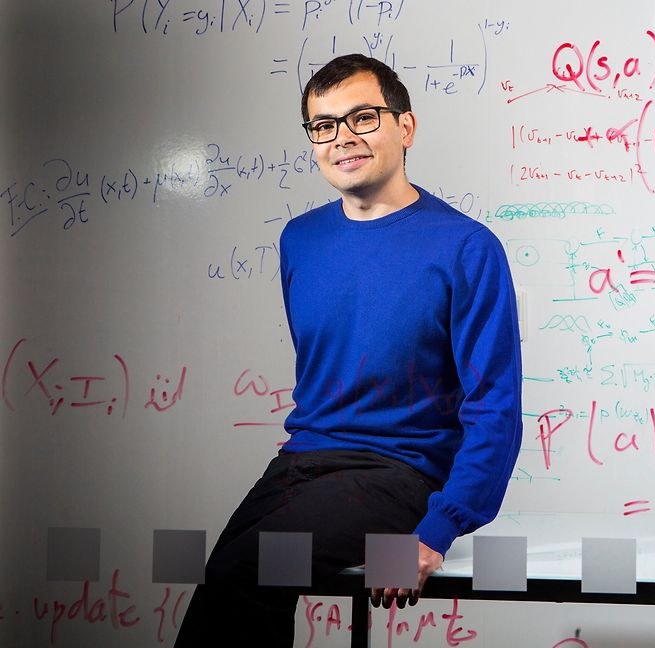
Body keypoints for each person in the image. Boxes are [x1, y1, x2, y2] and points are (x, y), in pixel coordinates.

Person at [174, 53, 523, 646]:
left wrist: (438, 529)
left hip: (400, 471)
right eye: (324, 125)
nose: (343, 138)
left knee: (245, 572)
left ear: (405, 127)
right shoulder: (300, 240)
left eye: (363, 118)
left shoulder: (467, 247)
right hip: (303, 461)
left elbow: (495, 406)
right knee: (222, 577)